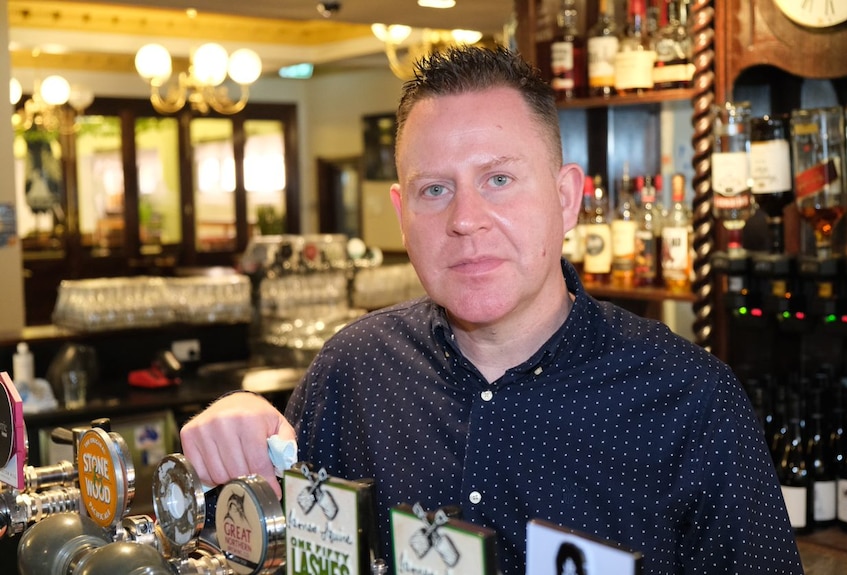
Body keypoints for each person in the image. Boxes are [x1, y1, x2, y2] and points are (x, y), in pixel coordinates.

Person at [180, 46, 803, 574]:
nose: (466, 220)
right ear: (402, 214)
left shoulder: (690, 399)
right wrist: (232, 458)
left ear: (566, 199)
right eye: (435, 189)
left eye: (499, 179)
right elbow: (272, 545)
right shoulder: (352, 372)